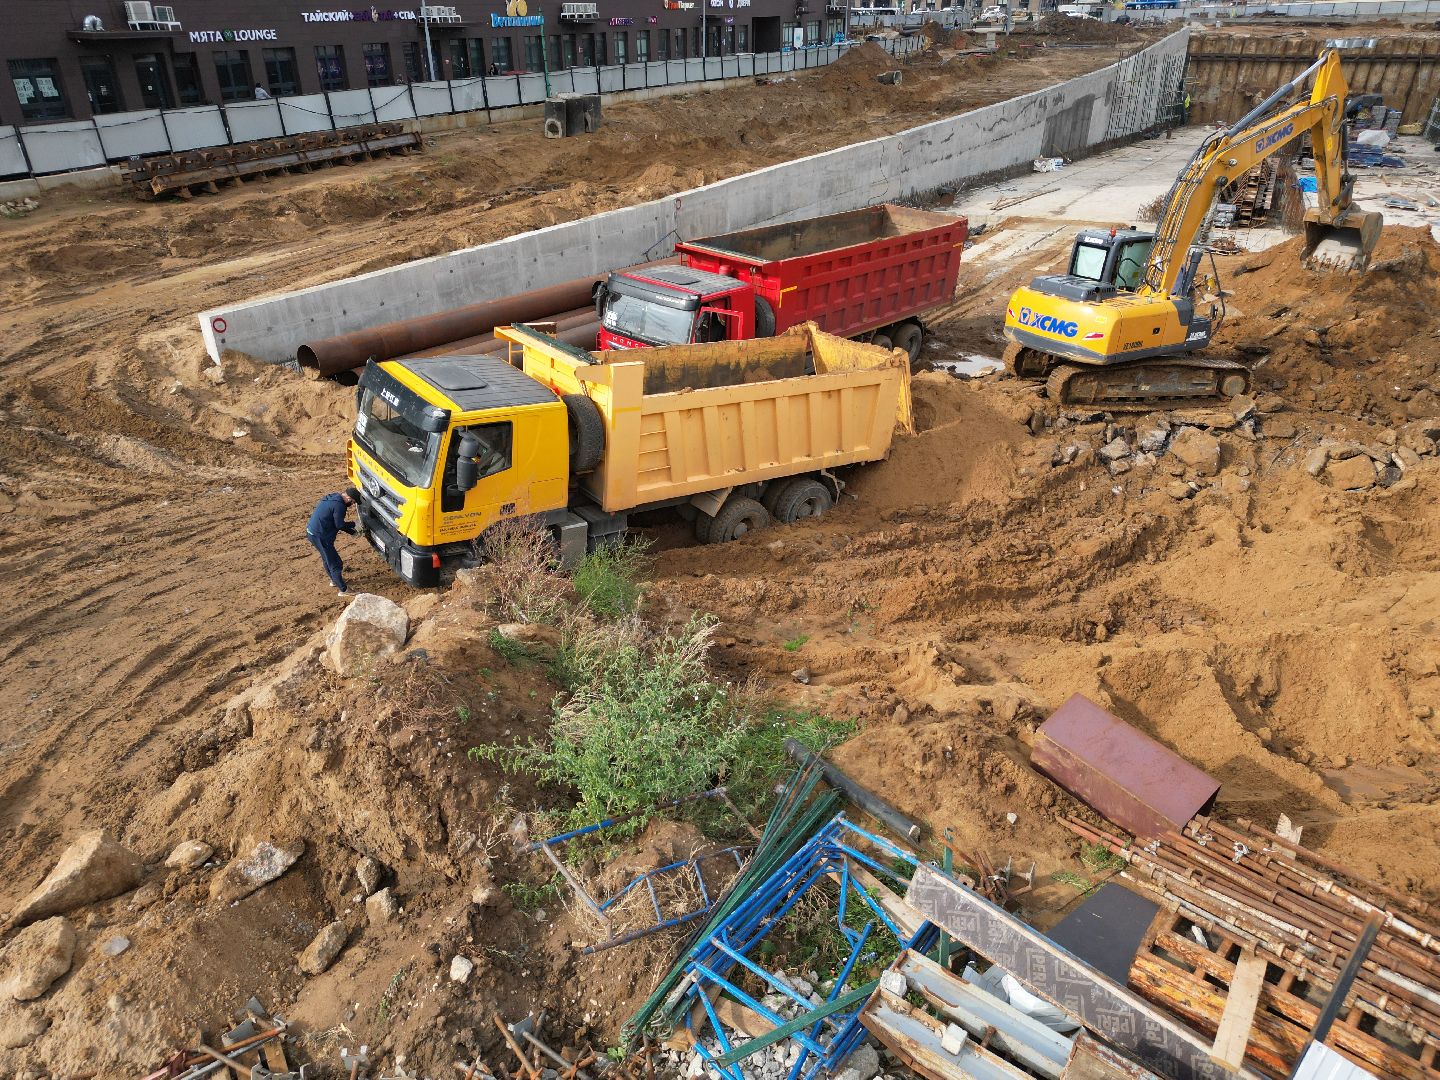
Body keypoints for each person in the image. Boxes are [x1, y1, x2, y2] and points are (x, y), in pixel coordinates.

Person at [307, 488, 361, 596]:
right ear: (348, 498)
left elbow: (336, 522)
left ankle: (334, 580)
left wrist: (352, 533)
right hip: (321, 537)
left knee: (327, 559)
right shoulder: (340, 506)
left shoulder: (333, 497)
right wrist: (354, 524)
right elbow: (339, 525)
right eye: (353, 502)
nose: (352, 504)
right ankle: (344, 590)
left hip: (312, 532)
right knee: (335, 563)